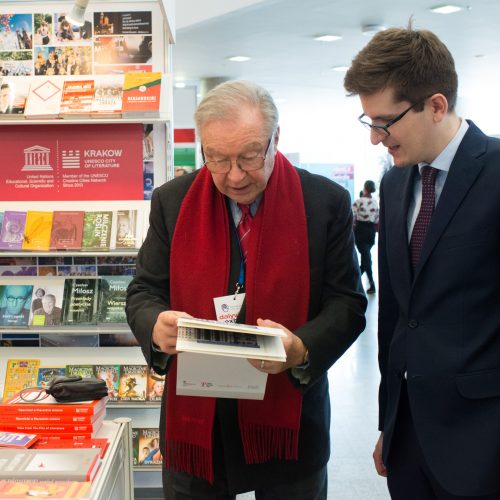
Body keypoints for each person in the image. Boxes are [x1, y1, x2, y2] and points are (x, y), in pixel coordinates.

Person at [126, 80, 367, 499]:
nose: (234, 176)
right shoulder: (173, 201)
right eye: (217, 159)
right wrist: (155, 326)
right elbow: (144, 290)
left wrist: (301, 348)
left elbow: (347, 302)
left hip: (288, 420)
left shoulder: (323, 203)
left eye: (249, 156)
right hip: (199, 426)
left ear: (277, 139)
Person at [344, 23, 500, 500]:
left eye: (384, 122)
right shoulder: (394, 185)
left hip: (485, 436)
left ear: (436, 105)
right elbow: (395, 313)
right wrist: (390, 421)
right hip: (409, 440)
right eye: (368, 121)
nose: (375, 138)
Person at [352, 180, 379, 294]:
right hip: (371, 231)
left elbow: (352, 218)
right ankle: (355, 282)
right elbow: (377, 219)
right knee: (366, 257)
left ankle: (358, 282)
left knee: (366, 257)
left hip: (360, 231)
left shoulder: (358, 202)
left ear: (365, 188)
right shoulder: (374, 202)